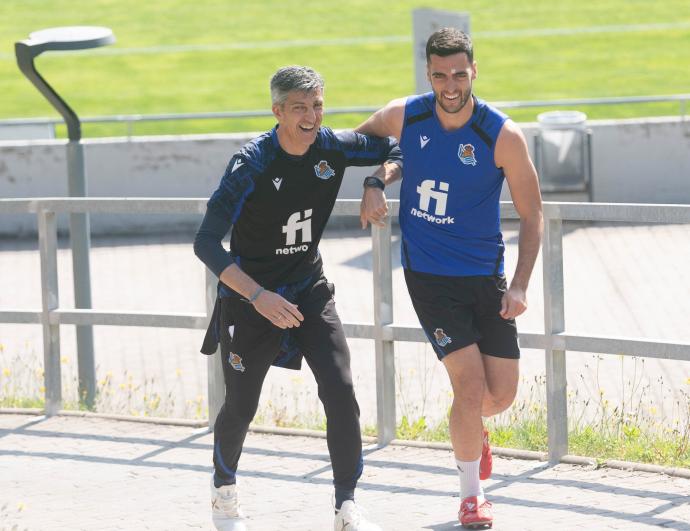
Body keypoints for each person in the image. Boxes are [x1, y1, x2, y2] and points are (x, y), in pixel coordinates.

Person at [194, 65, 400, 531]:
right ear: (277, 111)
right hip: (253, 301)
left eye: (318, 105)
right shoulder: (250, 164)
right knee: (241, 405)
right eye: (300, 108)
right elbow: (206, 242)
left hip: (308, 291)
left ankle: (347, 504)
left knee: (341, 389)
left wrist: (375, 182)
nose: (311, 117)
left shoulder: (331, 146)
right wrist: (257, 294)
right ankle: (223, 492)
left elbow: (397, 145)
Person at [357, 28, 543, 529]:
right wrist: (375, 179)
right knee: (468, 383)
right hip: (428, 274)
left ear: (474, 71)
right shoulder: (406, 113)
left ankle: (472, 432)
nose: (450, 84)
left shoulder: (502, 134)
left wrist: (521, 284)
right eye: (440, 74)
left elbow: (532, 214)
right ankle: (471, 496)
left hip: (486, 274)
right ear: (429, 74)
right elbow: (357, 141)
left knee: (498, 396)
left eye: (459, 73)